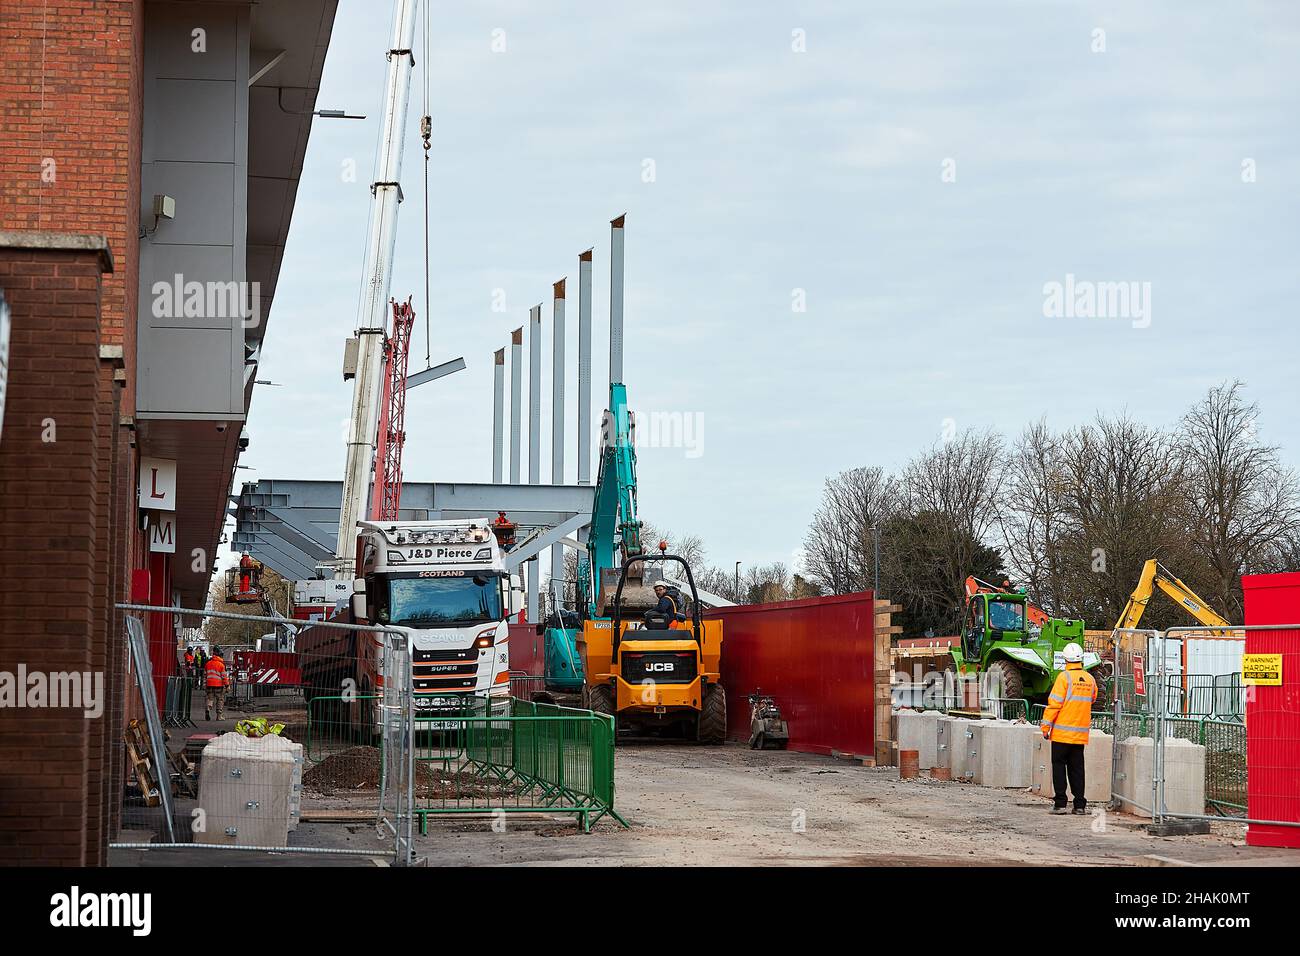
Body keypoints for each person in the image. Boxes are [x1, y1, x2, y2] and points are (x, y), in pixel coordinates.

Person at [1041, 642, 1098, 815]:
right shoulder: (1090, 679)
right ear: (1081, 659)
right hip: (1079, 735)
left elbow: (1054, 704)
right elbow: (1092, 699)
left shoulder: (1063, 678)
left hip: (1061, 734)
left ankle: (1060, 804)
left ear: (1065, 659)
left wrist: (1046, 726)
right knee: (1077, 769)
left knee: (1059, 767)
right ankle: (1079, 805)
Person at [205, 646, 230, 721]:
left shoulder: (208, 664)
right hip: (219, 685)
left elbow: (204, 675)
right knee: (220, 700)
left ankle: (208, 708)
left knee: (210, 698)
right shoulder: (221, 665)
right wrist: (227, 685)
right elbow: (224, 676)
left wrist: (204, 684)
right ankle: (219, 716)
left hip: (209, 685)